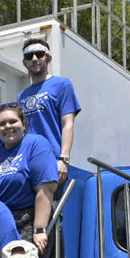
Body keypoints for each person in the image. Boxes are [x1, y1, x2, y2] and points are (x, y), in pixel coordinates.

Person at [0, 103, 59, 251]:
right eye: (2, 124)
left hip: (28, 220)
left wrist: (39, 229)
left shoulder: (36, 144)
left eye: (13, 121)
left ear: (23, 124)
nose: (7, 126)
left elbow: (45, 189)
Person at [18, 38, 81, 184]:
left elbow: (68, 123)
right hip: (28, 163)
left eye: (39, 54)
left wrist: (63, 159)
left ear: (48, 57)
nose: (34, 59)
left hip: (53, 161)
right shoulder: (21, 96)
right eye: (29, 56)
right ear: (25, 62)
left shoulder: (62, 84)